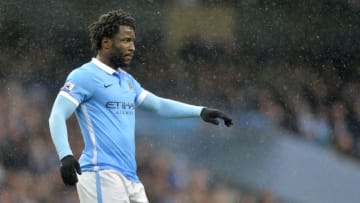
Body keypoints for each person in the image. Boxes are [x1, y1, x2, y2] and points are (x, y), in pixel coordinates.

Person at [48, 9, 233, 203]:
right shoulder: (84, 75)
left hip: (130, 177)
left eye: (133, 41)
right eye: (126, 40)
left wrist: (200, 111)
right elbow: (58, 114)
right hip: (101, 172)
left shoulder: (127, 81)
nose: (133, 47)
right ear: (106, 43)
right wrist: (65, 155)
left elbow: (159, 106)